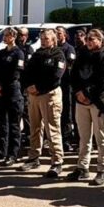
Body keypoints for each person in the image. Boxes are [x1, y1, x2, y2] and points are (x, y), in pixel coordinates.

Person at [68, 28, 104, 185]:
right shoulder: (82, 53)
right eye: (87, 39)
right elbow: (73, 75)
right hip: (81, 101)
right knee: (84, 136)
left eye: (92, 39)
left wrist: (88, 94)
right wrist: (78, 92)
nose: (88, 42)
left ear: (100, 40)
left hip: (99, 101)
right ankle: (82, 167)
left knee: (101, 136)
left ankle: (103, 169)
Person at [20, 28, 66, 178]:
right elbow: (26, 72)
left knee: (52, 129)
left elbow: (56, 76)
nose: (44, 41)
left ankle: (57, 161)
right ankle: (33, 157)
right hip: (33, 95)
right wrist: (28, 86)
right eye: (42, 38)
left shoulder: (58, 54)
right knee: (34, 127)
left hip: (49, 95)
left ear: (53, 40)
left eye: (46, 38)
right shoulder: (37, 54)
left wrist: (39, 87)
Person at [0, 27, 25, 165]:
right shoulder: (2, 53)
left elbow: (15, 73)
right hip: (0, 93)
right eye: (4, 35)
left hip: (12, 92)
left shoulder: (18, 53)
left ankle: (13, 154)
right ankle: (0, 151)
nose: (4, 38)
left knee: (13, 125)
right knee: (1, 124)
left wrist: (1, 86)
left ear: (13, 37)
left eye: (7, 35)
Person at [56, 26, 78, 151]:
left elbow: (70, 65)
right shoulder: (53, 49)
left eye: (59, 33)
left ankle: (67, 140)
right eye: (56, 33)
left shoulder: (69, 48)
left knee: (66, 114)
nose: (57, 35)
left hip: (66, 85)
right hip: (54, 85)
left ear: (65, 35)